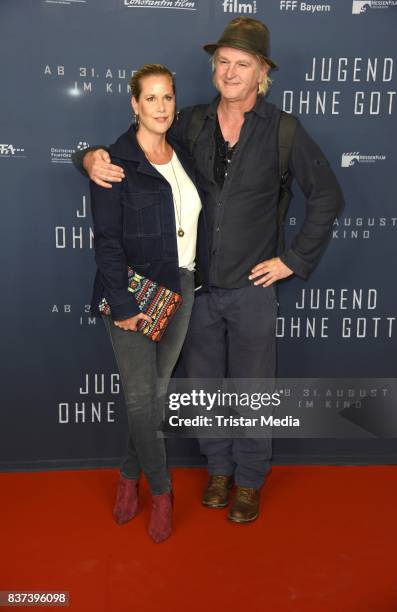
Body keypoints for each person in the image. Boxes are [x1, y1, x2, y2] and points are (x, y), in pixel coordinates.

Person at [74, 18, 344, 525]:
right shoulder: (189, 121)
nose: (231, 71)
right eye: (223, 61)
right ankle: (218, 470)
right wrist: (86, 158)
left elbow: (328, 196)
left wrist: (293, 259)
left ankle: (247, 480)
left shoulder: (284, 130)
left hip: (252, 291)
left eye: (243, 63)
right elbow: (134, 147)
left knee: (252, 390)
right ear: (212, 67)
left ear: (262, 72)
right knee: (203, 389)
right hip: (194, 289)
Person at [88, 63, 205, 543]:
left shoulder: (186, 157)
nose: (161, 107)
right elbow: (107, 242)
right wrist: (121, 303)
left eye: (168, 97)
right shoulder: (115, 161)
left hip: (182, 290)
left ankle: (125, 474)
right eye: (151, 98)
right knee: (142, 399)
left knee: (152, 398)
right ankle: (161, 493)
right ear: (134, 104)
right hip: (133, 292)